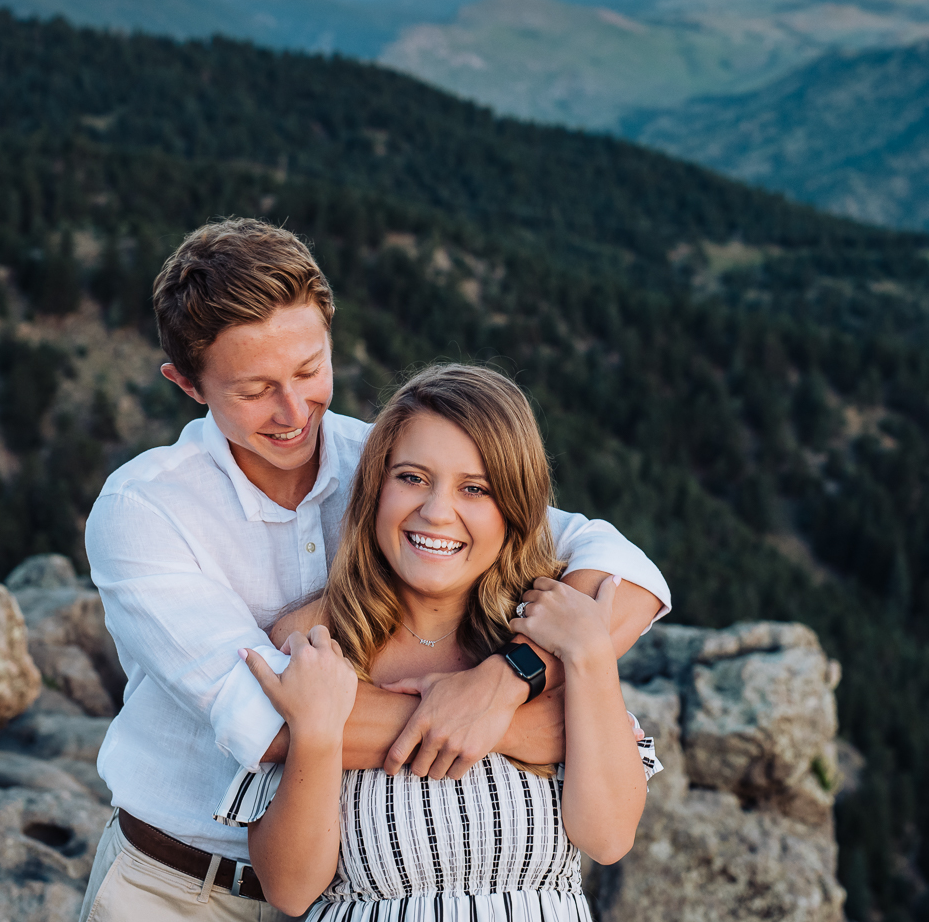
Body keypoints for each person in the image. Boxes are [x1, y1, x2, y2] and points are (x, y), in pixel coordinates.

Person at [79, 220, 670, 922]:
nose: (294, 412)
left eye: (308, 370)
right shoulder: (145, 510)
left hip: (341, 894)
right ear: (188, 384)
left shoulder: (399, 465)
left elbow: (624, 570)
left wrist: (510, 678)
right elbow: (266, 722)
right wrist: (518, 731)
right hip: (180, 887)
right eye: (256, 389)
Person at [218, 363, 658, 920]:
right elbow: (290, 889)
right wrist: (318, 733)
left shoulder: (551, 642)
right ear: (375, 488)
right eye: (412, 478)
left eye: (475, 489)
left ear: (516, 509)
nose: (436, 512)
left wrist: (588, 658)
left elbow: (609, 837)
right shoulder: (315, 644)